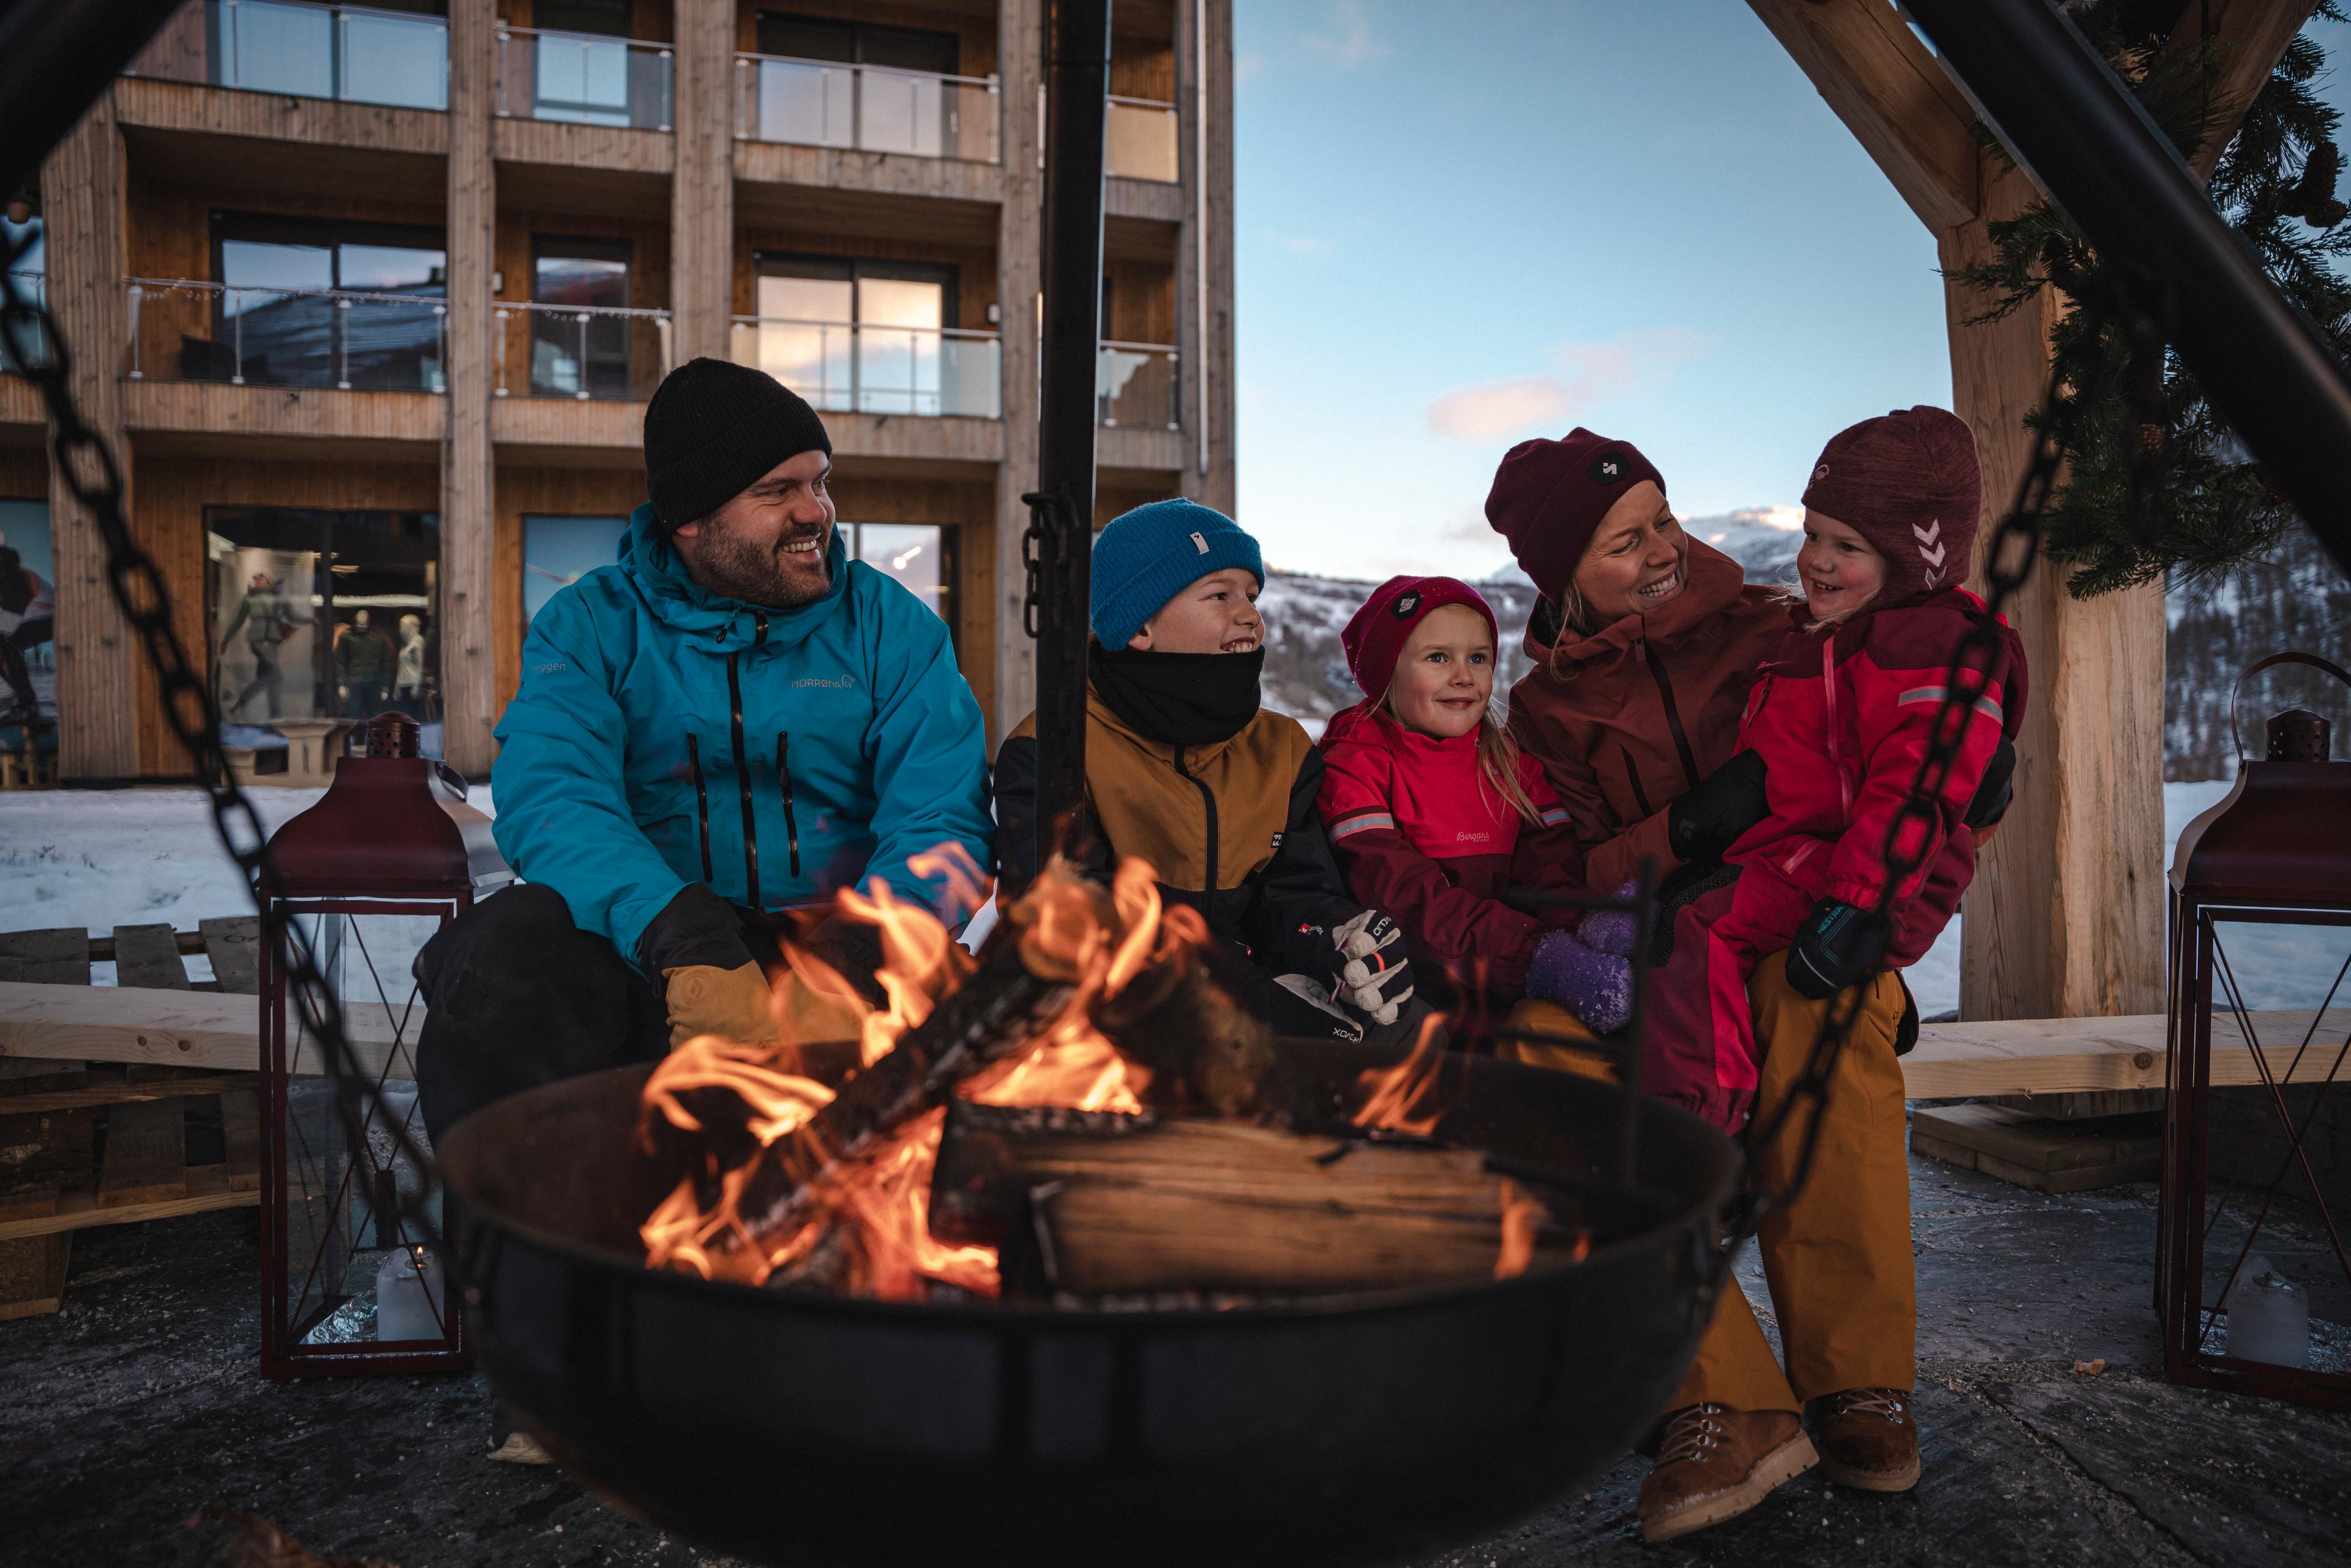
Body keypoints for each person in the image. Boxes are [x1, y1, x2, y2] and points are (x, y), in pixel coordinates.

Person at [1488, 422, 2015, 1542]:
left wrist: (1977, 782)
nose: (1665, 550)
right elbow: (1559, 874)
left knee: (1813, 1002)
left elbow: (1911, 734)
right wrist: (1680, 830)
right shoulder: (1541, 716)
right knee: (1538, 1048)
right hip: (1657, 946)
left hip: (1805, 928)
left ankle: (1854, 1378)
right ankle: (1719, 1395)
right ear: (1563, 573)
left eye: (1665, 518)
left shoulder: (1787, 625)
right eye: (1627, 543)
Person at [413, 358, 994, 1141]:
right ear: (689, 518)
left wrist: (868, 950)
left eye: (819, 482)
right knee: (500, 952)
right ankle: (526, 1247)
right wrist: (675, 931)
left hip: (843, 939)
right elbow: (556, 796)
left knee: (1005, 1024)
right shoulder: (591, 624)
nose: (814, 511)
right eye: (776, 491)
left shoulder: (891, 625)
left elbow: (941, 812)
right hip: (656, 943)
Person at [1644, 407, 2025, 1135]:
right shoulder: (1825, 638)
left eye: (1847, 544)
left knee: (1686, 934)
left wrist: (1858, 906)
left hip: (1860, 880)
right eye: (1812, 532)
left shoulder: (1933, 642)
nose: (1815, 558)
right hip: (1811, 863)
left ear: (1916, 558)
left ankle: (1705, 1127)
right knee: (1676, 914)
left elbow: (1919, 783)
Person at [992, 498, 1422, 1045]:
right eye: (1220, 595)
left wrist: (1334, 943)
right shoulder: (1055, 749)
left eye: (1252, 595)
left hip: (1251, 994)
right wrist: (1252, 998)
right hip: (1109, 1026)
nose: (1251, 615)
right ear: (1140, 624)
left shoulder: (1281, 748)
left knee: (1409, 1034)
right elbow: (1075, 923)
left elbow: (1292, 896)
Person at [1314, 574, 1631, 1035]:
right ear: (1387, 671)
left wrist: (1589, 923)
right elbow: (1406, 901)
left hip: (1504, 984)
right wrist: (1536, 955)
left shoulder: (1512, 766)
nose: (1463, 675)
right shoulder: (1355, 765)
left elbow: (1549, 875)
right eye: (1438, 657)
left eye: (1478, 658)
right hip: (1404, 1002)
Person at [219, 570, 302, 721]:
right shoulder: (249, 599)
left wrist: (310, 620)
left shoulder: (277, 598)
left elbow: (293, 614)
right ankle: (276, 716)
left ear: (268, 581)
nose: (257, 580)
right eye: (255, 578)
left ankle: (238, 706)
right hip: (259, 640)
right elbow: (238, 621)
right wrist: (226, 640)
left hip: (272, 640)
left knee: (264, 678)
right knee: (275, 676)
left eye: (261, 578)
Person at [333, 608, 395, 719]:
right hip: (355, 682)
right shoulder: (346, 637)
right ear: (355, 619)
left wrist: (385, 687)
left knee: (375, 715)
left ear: (369, 620)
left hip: (374, 682)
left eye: (364, 616)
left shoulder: (379, 638)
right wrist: (341, 684)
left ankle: (374, 736)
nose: (362, 619)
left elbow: (387, 663)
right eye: (359, 616)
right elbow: (340, 662)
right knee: (353, 715)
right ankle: (354, 736)